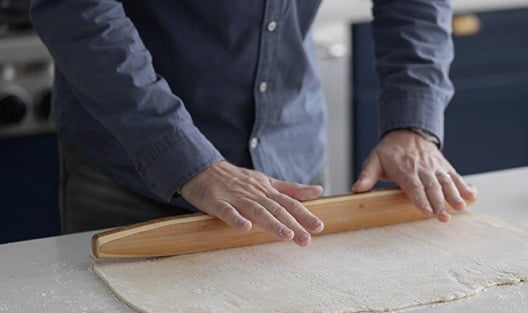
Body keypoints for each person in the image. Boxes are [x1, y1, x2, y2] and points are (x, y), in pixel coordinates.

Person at [30, 0, 476, 246]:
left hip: (287, 165)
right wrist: (185, 158)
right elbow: (77, 9)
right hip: (131, 172)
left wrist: (412, 123)